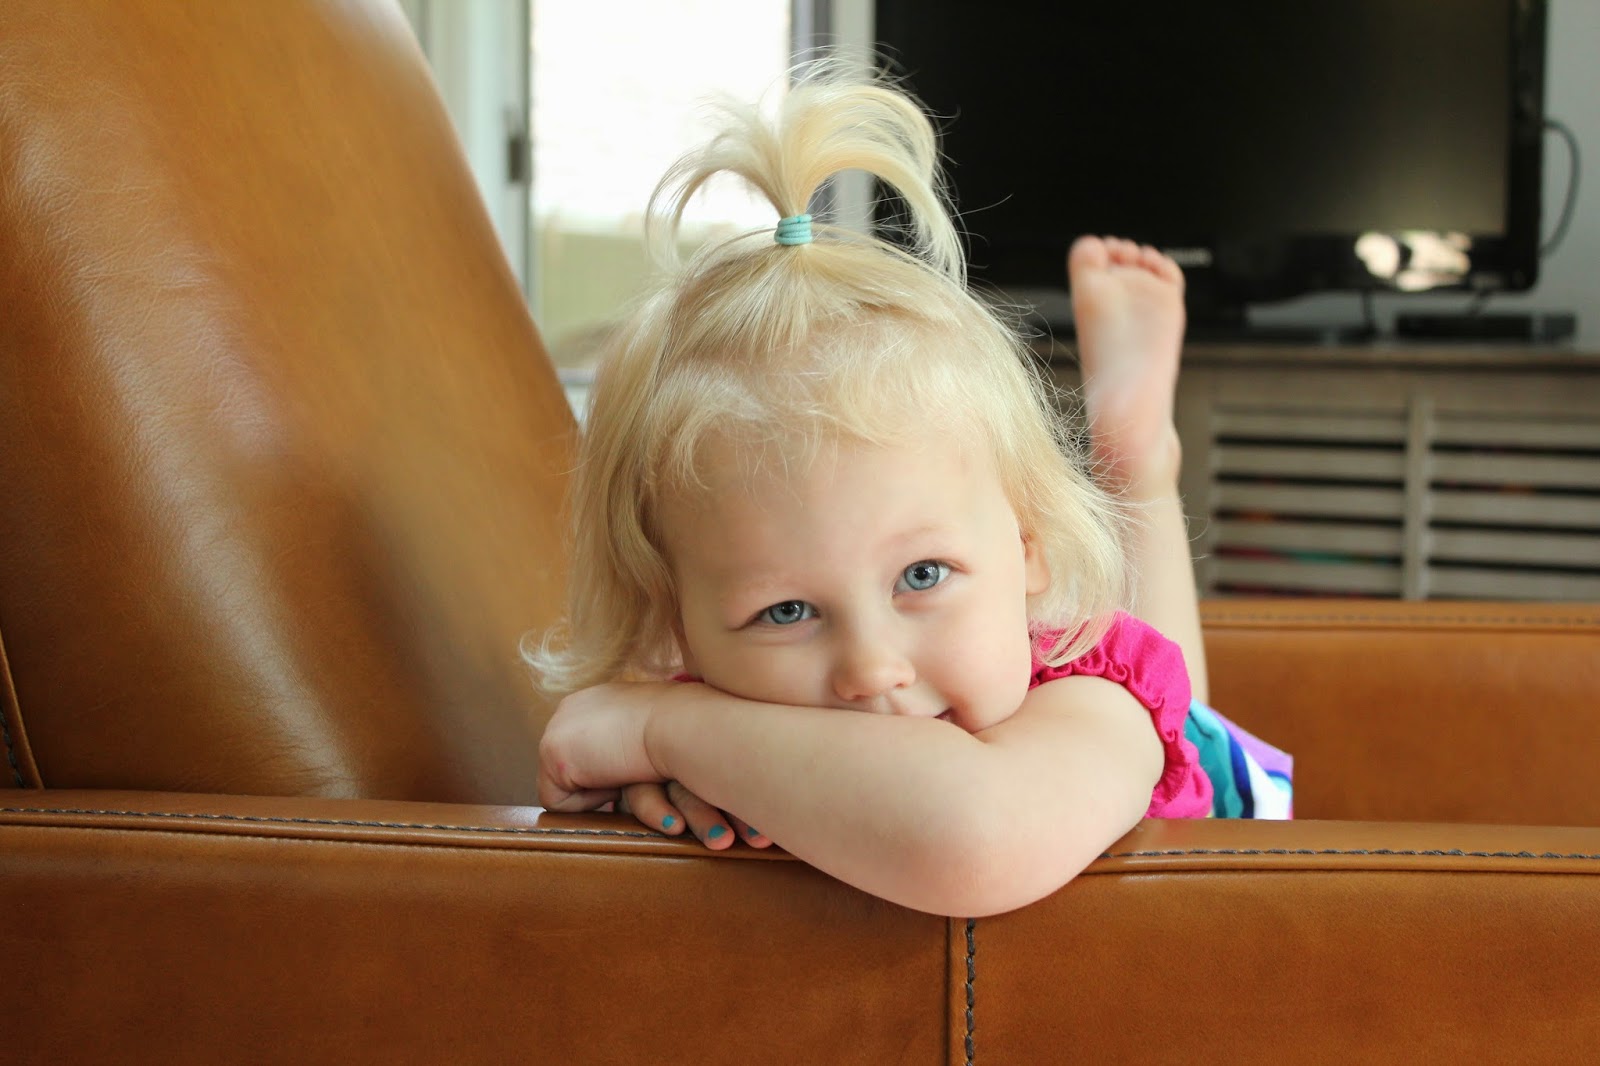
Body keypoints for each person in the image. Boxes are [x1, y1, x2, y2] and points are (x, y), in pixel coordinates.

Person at [528, 63, 1287, 917]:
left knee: (1186, 717)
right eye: (786, 611)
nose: (871, 668)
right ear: (679, 632)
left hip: (1212, 794)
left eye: (922, 576)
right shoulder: (721, 706)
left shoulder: (1094, 709)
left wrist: (660, 733)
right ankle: (1130, 456)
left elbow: (975, 841)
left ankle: (1134, 464)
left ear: (1028, 548)